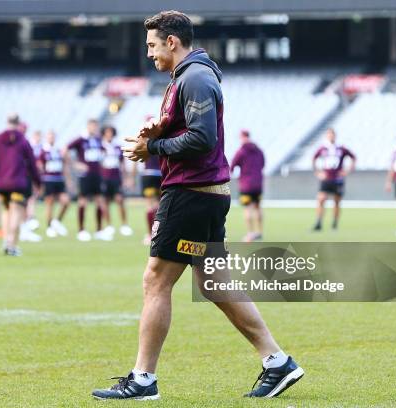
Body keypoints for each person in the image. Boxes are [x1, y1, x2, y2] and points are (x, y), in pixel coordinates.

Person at [92, 11, 303, 400]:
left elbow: (203, 139)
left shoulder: (196, 77)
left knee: (156, 279)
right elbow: (190, 131)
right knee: (213, 283)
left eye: (153, 46)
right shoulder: (189, 77)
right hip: (205, 194)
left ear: (172, 42)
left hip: (190, 194)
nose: (150, 54)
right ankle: (277, 362)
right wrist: (159, 131)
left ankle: (143, 380)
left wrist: (152, 147)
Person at [0, 114, 40, 256]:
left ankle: (6, 240)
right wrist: (37, 181)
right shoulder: (22, 140)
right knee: (17, 211)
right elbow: (31, 162)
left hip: (2, 184)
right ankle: (11, 243)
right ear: (18, 123)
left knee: (6, 210)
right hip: (18, 182)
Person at [66, 118, 111, 242]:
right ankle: (81, 230)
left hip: (97, 175)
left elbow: (105, 151)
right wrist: (75, 164)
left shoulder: (97, 140)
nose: (93, 128)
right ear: (88, 127)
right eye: (91, 126)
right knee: (82, 201)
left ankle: (99, 230)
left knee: (99, 201)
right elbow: (65, 149)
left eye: (95, 126)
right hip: (85, 176)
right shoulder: (80, 140)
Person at [311, 128, 356, 231]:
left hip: (337, 179)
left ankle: (334, 223)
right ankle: (318, 222)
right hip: (326, 178)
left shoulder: (341, 148)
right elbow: (313, 158)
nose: (331, 136)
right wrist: (318, 172)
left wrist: (347, 170)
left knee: (336, 201)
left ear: (335, 136)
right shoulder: (323, 148)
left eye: (332, 134)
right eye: (329, 134)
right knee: (321, 199)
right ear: (327, 136)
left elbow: (353, 157)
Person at [230, 130, 265, 242]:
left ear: (242, 137)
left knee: (248, 208)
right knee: (258, 207)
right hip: (258, 184)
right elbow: (263, 164)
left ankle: (250, 234)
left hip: (246, 185)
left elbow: (232, 166)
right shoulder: (259, 150)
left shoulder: (241, 151)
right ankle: (259, 232)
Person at [101, 125, 133, 237]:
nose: (109, 134)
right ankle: (109, 226)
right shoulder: (100, 146)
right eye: (107, 132)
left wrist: (126, 178)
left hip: (116, 177)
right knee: (105, 202)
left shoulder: (117, 147)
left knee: (120, 200)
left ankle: (124, 225)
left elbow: (123, 164)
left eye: (110, 132)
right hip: (104, 177)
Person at [38, 130, 71, 238]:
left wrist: (68, 179)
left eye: (53, 137)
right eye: (49, 137)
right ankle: (49, 226)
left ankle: (56, 222)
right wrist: (40, 182)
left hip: (59, 179)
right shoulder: (43, 151)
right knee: (50, 203)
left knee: (66, 201)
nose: (51, 138)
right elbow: (39, 166)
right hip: (48, 180)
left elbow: (65, 164)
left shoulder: (58, 150)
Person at [23, 129, 43, 238]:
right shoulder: (28, 146)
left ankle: (29, 220)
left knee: (31, 198)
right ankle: (29, 219)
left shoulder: (41, 147)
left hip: (33, 176)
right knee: (26, 200)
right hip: (27, 176)